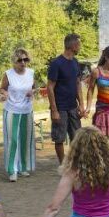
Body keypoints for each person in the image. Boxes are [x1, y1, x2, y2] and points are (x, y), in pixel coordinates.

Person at [47, 33, 85, 164]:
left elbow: (78, 84)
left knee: (77, 137)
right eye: (79, 44)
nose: (80, 47)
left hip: (73, 107)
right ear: (73, 45)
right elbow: (50, 87)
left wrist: (81, 104)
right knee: (59, 138)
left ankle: (76, 163)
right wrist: (54, 110)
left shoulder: (75, 62)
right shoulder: (56, 63)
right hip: (60, 108)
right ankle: (62, 165)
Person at [0, 48, 36, 181]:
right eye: (20, 60)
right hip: (12, 109)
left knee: (26, 139)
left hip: (27, 109)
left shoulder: (31, 73)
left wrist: (32, 91)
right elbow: (2, 88)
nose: (23, 63)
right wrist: (4, 93)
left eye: (25, 59)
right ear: (14, 61)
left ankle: (23, 167)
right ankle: (12, 170)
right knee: (13, 139)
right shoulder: (8, 74)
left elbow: (34, 87)